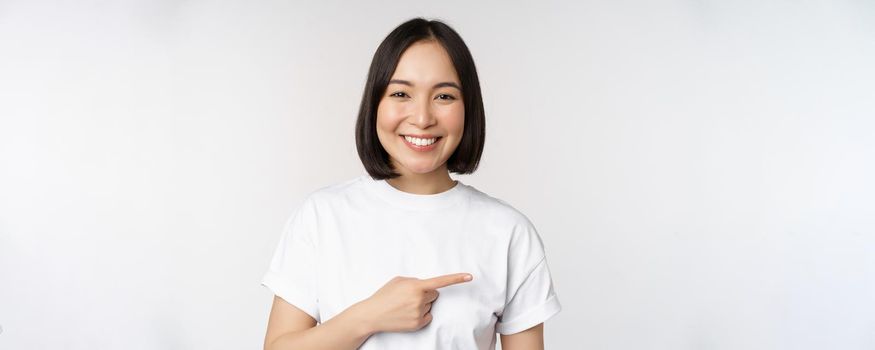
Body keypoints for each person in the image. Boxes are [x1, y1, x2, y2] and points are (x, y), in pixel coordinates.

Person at [261, 17, 561, 350]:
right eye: (401, 93)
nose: (422, 118)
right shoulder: (321, 217)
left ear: (469, 109)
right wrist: (369, 315)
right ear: (375, 103)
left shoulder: (509, 233)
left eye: (444, 96)